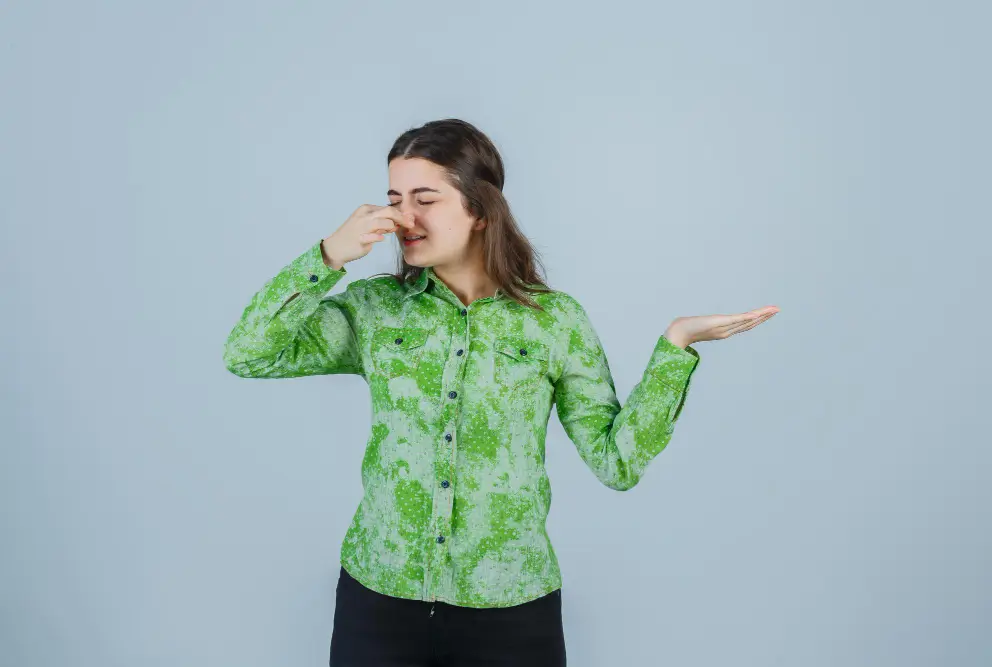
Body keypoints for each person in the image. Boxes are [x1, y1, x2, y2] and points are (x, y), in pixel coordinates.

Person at [223, 118, 779, 667]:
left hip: (511, 611)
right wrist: (328, 255)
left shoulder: (554, 323)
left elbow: (618, 463)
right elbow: (248, 353)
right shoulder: (373, 310)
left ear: (481, 211)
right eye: (394, 198)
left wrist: (675, 348)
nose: (402, 218)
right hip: (379, 600)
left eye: (425, 198)